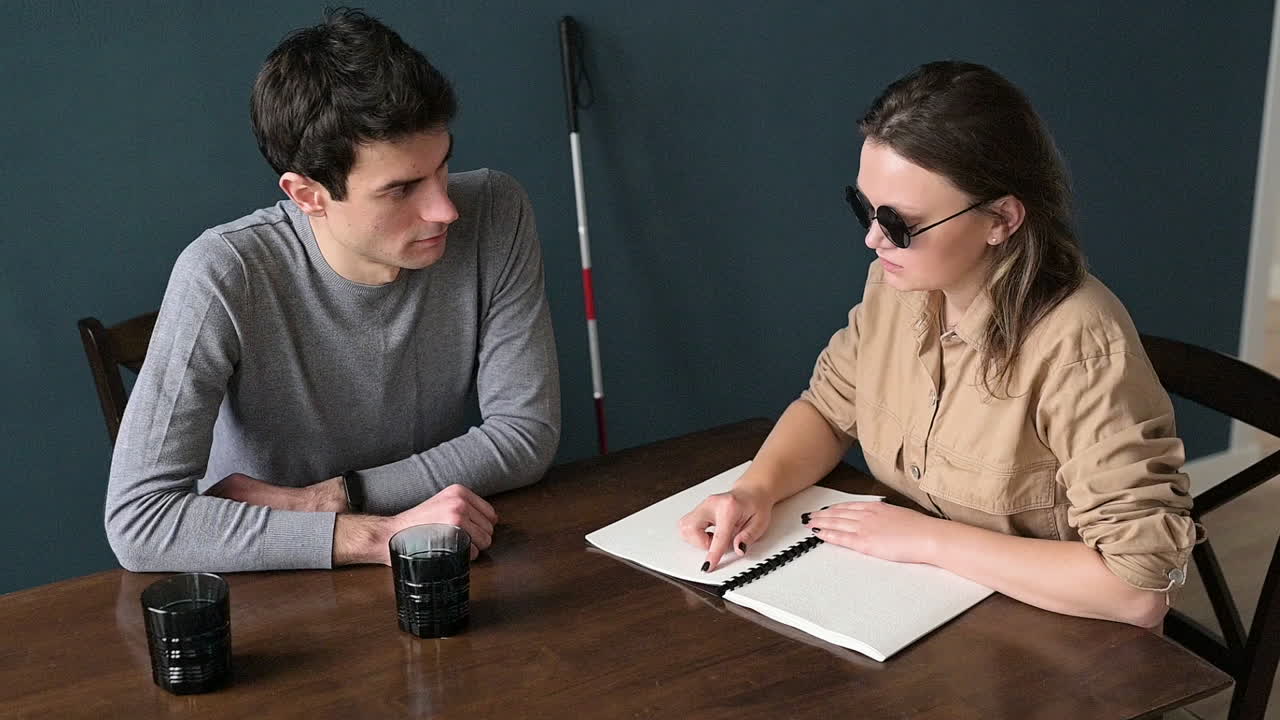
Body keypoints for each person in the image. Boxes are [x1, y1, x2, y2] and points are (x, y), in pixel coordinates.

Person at [679, 61, 1195, 628]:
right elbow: (829, 409)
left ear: (1001, 218)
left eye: (900, 223)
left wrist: (929, 541)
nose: (873, 239)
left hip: (1053, 639)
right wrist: (756, 489)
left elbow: (1137, 590)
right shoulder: (899, 283)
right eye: (866, 209)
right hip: (918, 605)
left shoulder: (1078, 344)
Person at [105, 9, 560, 572]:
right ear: (307, 194)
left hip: (441, 554)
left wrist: (329, 498)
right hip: (275, 587)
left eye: (442, 167)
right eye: (400, 189)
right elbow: (140, 520)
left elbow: (525, 435)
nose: (445, 208)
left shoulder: (496, 212)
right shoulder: (223, 273)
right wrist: (378, 535)